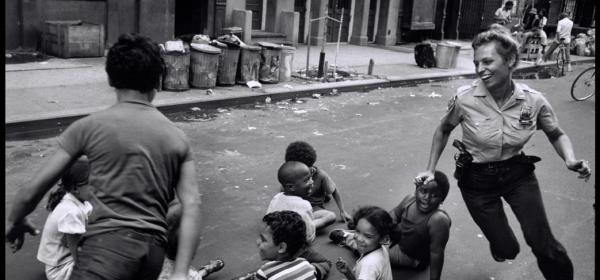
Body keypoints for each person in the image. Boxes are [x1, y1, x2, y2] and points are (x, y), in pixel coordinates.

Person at [6, 33, 204, 280]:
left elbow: (32, 190)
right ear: (158, 80)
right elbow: (192, 205)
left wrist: (16, 219)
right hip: (152, 254)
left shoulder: (88, 127)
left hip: (107, 251)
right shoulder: (177, 137)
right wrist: (180, 272)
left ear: (110, 78)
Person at [415, 24, 591, 280]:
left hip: (517, 175)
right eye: (476, 63)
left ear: (510, 60)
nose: (480, 69)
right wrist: (430, 169)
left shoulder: (534, 101)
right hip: (476, 182)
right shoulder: (465, 99)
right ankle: (500, 246)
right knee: (508, 249)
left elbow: (557, 134)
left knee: (544, 244)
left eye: (487, 61)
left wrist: (570, 159)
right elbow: (443, 130)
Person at [266, 161, 332, 280]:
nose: (312, 182)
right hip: (295, 250)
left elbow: (268, 220)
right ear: (291, 186)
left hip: (276, 246)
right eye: (307, 180)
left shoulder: (277, 197)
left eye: (311, 178)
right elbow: (309, 236)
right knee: (325, 263)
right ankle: (310, 273)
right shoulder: (304, 205)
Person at [387, 171, 451, 280]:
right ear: (416, 190)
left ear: (442, 199)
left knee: (371, 250)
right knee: (370, 231)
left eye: (435, 195)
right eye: (423, 191)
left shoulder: (438, 220)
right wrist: (378, 230)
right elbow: (392, 216)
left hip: (411, 256)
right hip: (397, 239)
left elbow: (436, 253)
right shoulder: (410, 200)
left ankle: (348, 238)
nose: (427, 198)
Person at [37, 158, 92, 280]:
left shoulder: (79, 200)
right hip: (61, 269)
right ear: (75, 188)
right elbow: (77, 254)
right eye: (93, 183)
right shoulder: (71, 212)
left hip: (67, 258)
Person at [232, 211, 318, 280]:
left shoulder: (265, 272)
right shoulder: (306, 264)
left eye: (263, 240)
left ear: (281, 247)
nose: (258, 242)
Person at [284, 141, 352, 227]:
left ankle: (306, 228)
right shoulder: (291, 175)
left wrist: (342, 211)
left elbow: (334, 190)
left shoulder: (320, 175)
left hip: (313, 207)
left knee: (330, 216)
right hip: (296, 206)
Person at [331, 206, 394, 280]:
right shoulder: (381, 248)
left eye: (368, 236)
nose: (359, 238)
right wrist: (347, 272)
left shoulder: (368, 265)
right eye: (357, 231)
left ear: (383, 239)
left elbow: (368, 270)